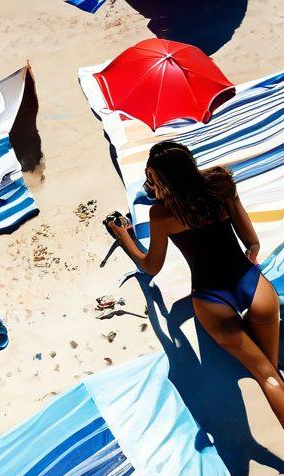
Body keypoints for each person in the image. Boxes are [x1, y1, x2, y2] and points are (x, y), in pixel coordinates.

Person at [105, 140, 284, 429]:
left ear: (157, 175)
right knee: (272, 372)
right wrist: (250, 260)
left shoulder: (162, 214)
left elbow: (151, 266)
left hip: (213, 300)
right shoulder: (221, 185)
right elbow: (252, 242)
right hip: (254, 288)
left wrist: (124, 237)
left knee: (264, 375)